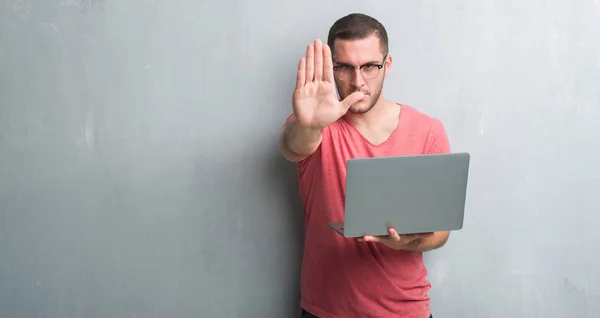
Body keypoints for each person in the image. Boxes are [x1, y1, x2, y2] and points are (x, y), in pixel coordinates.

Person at [279, 13, 451, 318]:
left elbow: (440, 232)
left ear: (388, 65)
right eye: (344, 67)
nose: (357, 81)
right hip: (326, 311)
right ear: (332, 68)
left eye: (369, 66)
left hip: (405, 311)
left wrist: (406, 245)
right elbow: (294, 147)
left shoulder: (428, 131)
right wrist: (308, 126)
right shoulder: (314, 126)